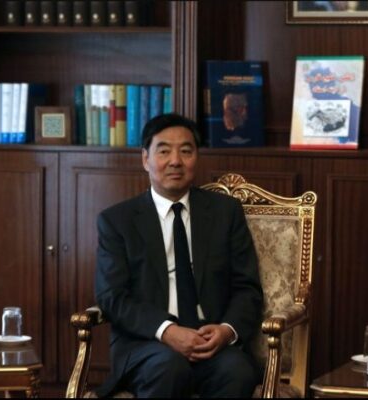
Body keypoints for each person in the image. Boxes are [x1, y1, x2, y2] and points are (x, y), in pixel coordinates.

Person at [94, 113, 264, 398]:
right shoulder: (117, 221)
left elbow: (247, 287)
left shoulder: (225, 212)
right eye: (164, 151)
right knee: (169, 367)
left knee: (237, 371)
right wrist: (167, 330)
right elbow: (112, 296)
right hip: (147, 344)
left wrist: (226, 331)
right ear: (145, 159)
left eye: (186, 151)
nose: (175, 161)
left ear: (196, 157)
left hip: (209, 341)